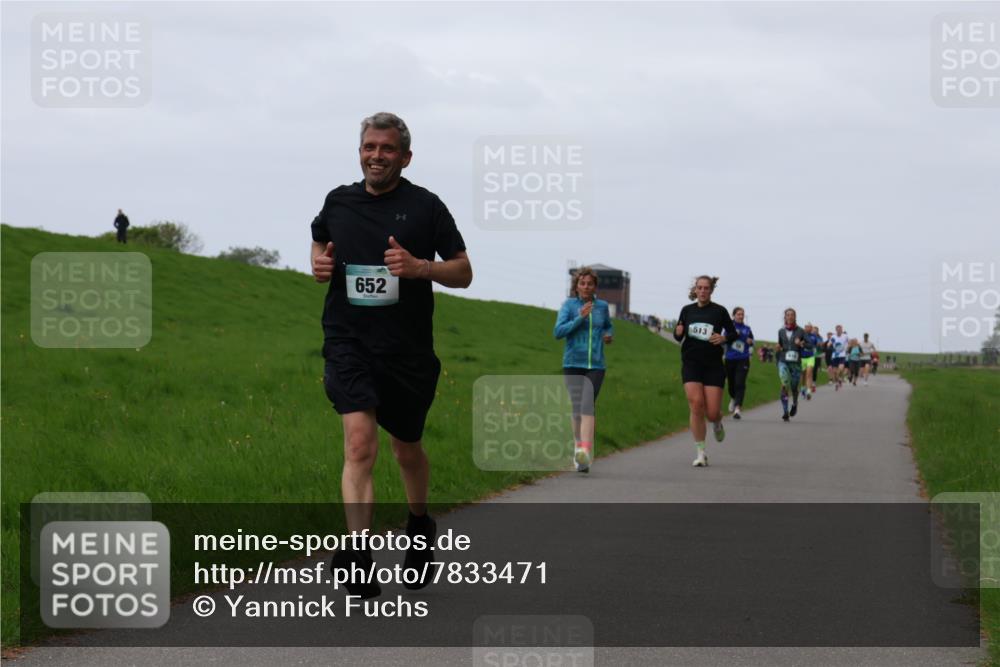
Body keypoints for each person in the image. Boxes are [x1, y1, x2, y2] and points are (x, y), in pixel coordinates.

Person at [310, 112, 472, 599]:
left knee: (407, 449)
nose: (375, 155)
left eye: (386, 149)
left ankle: (419, 526)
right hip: (348, 340)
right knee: (359, 444)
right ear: (360, 151)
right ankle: (358, 554)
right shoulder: (338, 201)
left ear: (405, 156)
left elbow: (463, 271)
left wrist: (421, 267)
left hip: (406, 351)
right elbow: (320, 237)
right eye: (368, 147)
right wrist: (318, 261)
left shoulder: (426, 207)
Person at [554, 267, 614, 473]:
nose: (586, 287)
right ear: (576, 286)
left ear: (595, 286)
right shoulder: (569, 306)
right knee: (577, 408)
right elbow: (558, 332)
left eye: (590, 284)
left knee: (588, 404)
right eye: (582, 283)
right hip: (572, 363)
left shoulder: (603, 306)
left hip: (596, 365)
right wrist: (579, 317)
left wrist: (608, 335)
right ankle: (578, 447)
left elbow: (607, 325)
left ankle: (586, 452)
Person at [673, 276, 737, 467]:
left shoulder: (719, 311)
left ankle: (717, 422)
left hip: (713, 366)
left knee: (712, 412)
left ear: (711, 290)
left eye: (706, 288)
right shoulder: (687, 310)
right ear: (695, 290)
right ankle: (701, 453)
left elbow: (733, 333)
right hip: (691, 363)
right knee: (696, 404)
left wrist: (724, 338)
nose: (702, 291)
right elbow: (679, 336)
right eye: (699, 288)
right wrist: (678, 332)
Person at [774, 308, 806, 421]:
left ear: (795, 317)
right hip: (783, 361)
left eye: (792, 315)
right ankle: (785, 411)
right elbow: (780, 345)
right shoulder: (781, 331)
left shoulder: (801, 331)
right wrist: (778, 348)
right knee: (784, 384)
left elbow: (809, 345)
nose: (790, 316)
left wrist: (802, 343)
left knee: (793, 387)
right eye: (788, 315)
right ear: (785, 317)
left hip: (796, 363)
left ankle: (795, 403)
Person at [724, 306, 754, 420]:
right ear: (734, 315)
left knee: (740, 383)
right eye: (738, 314)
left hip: (743, 358)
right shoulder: (728, 327)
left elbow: (752, 341)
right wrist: (733, 334)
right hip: (730, 358)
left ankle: (737, 408)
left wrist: (750, 341)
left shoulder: (747, 328)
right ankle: (733, 397)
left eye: (742, 314)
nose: (741, 316)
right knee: (731, 383)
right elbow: (724, 339)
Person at [799, 323, 818, 400]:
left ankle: (808, 391)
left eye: (810, 327)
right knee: (803, 375)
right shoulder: (801, 336)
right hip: (802, 358)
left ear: (811, 328)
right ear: (805, 328)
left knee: (809, 374)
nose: (808, 328)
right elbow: (797, 344)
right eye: (806, 327)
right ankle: (803, 387)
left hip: (810, 357)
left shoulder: (814, 337)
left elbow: (814, 346)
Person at [829, 325, 850, 390]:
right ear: (836, 330)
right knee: (835, 372)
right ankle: (839, 381)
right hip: (835, 356)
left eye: (840, 329)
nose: (839, 330)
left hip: (842, 355)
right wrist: (829, 344)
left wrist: (847, 347)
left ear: (842, 330)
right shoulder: (833, 336)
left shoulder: (845, 336)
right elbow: (830, 342)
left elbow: (849, 343)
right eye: (837, 329)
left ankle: (838, 381)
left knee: (840, 369)